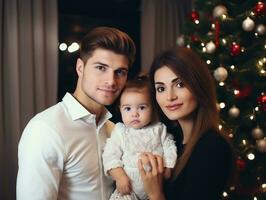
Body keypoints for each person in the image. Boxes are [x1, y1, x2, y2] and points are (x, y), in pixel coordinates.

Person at [16, 26, 136, 200]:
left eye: (120, 72)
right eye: (101, 68)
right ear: (80, 67)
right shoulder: (45, 128)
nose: (111, 81)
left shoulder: (114, 130)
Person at [138, 46, 234, 200]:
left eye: (180, 84)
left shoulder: (213, 148)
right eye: (161, 88)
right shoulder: (169, 138)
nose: (169, 97)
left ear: (198, 86)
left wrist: (156, 194)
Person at [102, 77, 177, 200]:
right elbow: (110, 155)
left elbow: (169, 146)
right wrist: (120, 176)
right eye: (128, 108)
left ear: (152, 108)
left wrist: (168, 166)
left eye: (142, 107)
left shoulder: (159, 129)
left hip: (155, 187)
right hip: (128, 190)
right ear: (120, 109)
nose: (134, 113)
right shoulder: (121, 131)